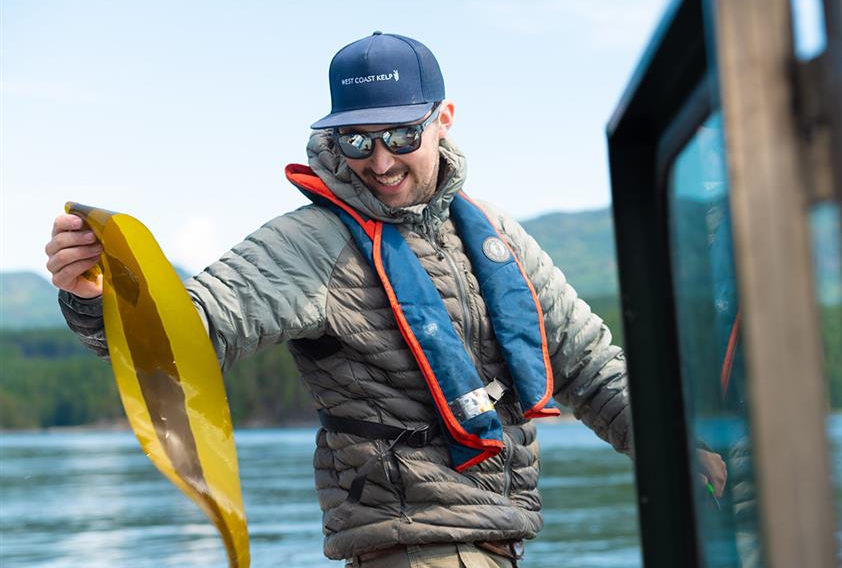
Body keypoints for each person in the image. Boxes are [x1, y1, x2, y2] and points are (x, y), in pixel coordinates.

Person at [45, 32, 725, 567]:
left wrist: (693, 451)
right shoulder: (310, 243)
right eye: (357, 138)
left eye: (402, 134)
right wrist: (90, 295)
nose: (380, 160)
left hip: (497, 542)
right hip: (408, 548)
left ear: (444, 119)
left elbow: (592, 368)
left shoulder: (497, 236)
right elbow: (180, 335)